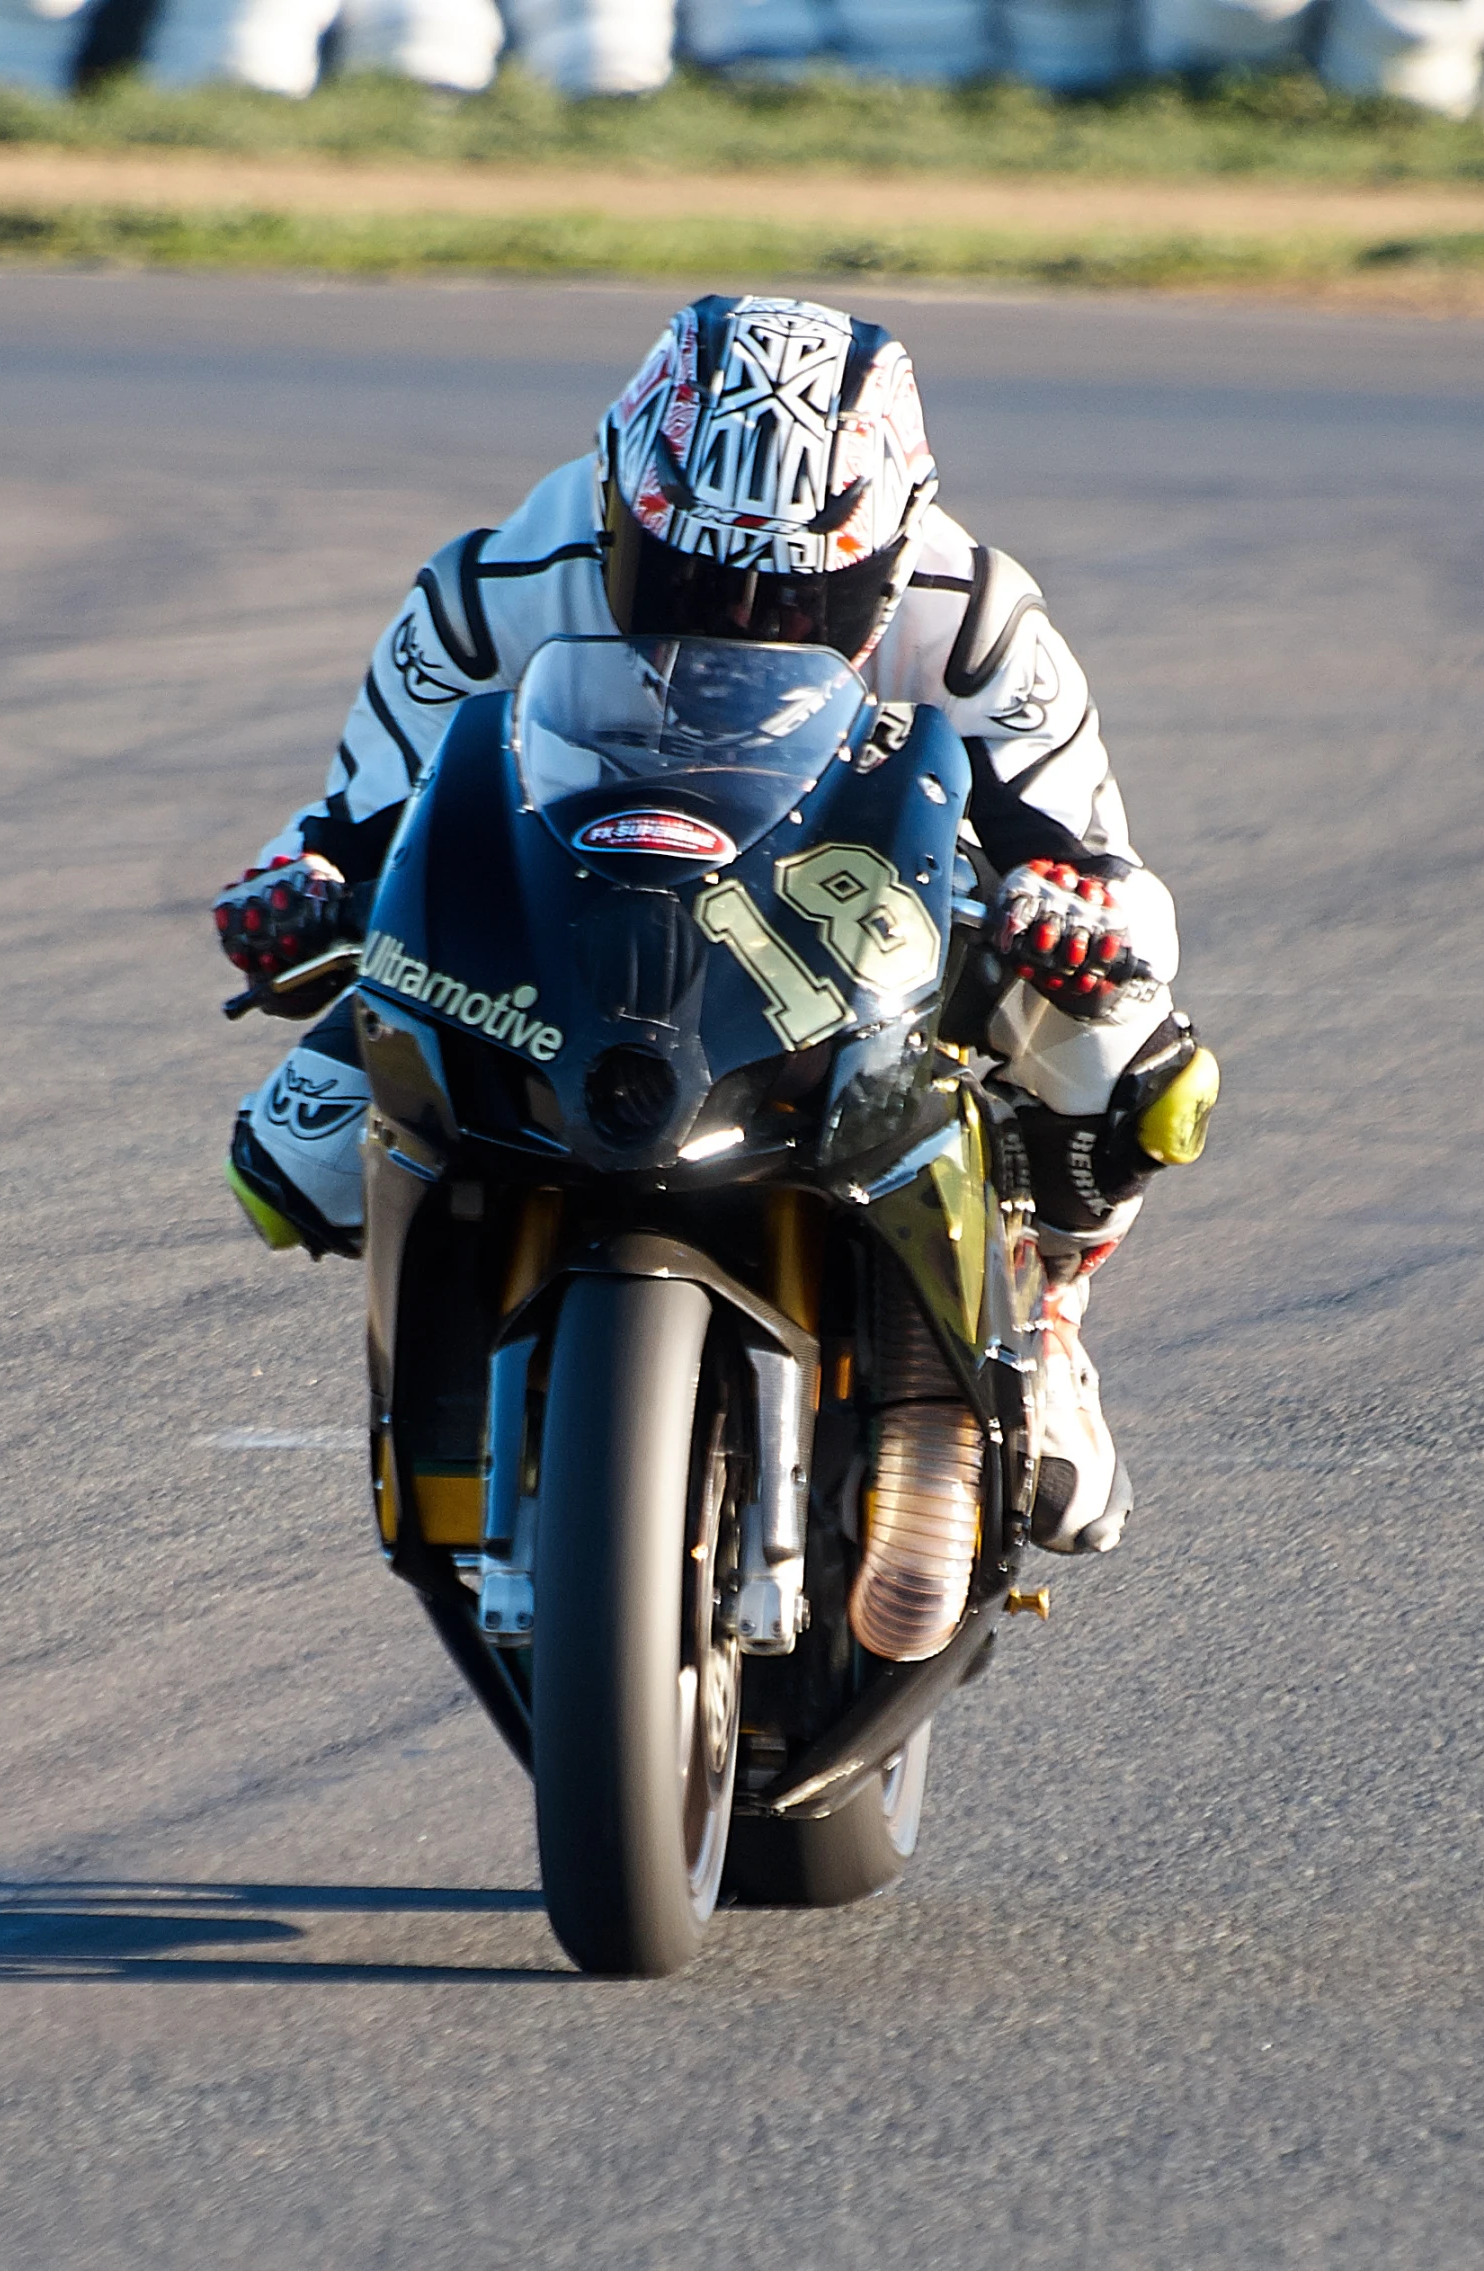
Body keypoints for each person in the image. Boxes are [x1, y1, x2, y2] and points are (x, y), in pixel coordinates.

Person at [214, 294, 1209, 1557]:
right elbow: (355, 821)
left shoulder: (975, 620)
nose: (740, 617)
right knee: (287, 1160)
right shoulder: (492, 587)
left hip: (854, 915)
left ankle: (1049, 1313)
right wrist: (287, 889)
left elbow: (1095, 860)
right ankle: (464, 1369)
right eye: (689, 576)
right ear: (619, 510)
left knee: (1133, 1056)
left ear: (889, 553)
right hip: (569, 915)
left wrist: (1065, 913)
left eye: (798, 599)